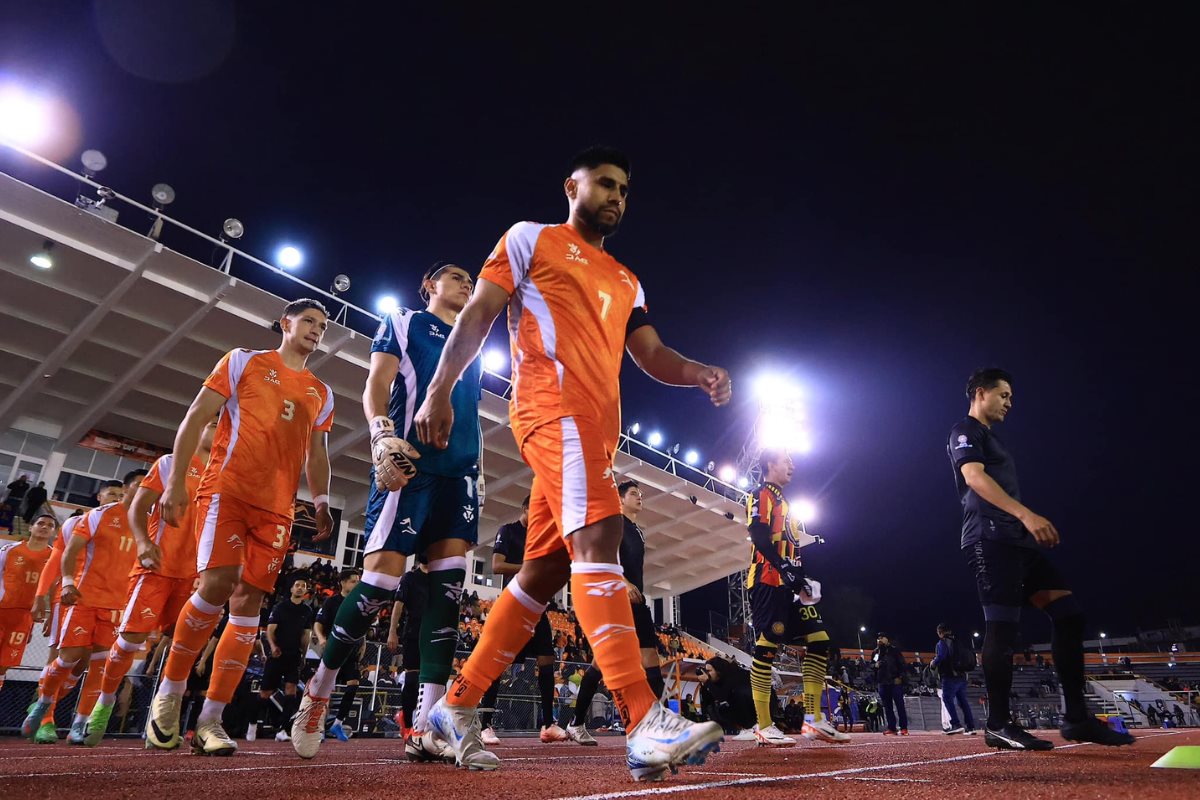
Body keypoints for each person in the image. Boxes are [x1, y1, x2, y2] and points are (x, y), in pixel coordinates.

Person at [414, 145, 729, 781]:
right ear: (572, 186)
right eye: (605, 184)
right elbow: (479, 313)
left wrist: (696, 373)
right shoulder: (529, 239)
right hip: (551, 410)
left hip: (597, 432)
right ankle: (642, 721)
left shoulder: (627, 279)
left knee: (541, 572)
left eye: (625, 191)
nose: (617, 197)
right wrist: (439, 388)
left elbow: (651, 353)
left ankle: (455, 706)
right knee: (602, 536)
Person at [291, 263, 482, 762]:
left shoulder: (474, 338)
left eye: (471, 279)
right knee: (377, 587)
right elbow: (377, 382)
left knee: (446, 595)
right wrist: (380, 433)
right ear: (429, 286)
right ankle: (319, 690)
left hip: (459, 472)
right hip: (410, 465)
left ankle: (429, 724)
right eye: (456, 276)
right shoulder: (403, 320)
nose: (467, 283)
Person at [145, 298, 335, 756]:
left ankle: (211, 719)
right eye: (309, 321)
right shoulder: (242, 361)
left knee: (248, 605)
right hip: (226, 493)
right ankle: (169, 693)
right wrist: (175, 485)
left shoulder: (322, 392)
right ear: (285, 323)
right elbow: (195, 417)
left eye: (323, 326)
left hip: (277, 510)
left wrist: (323, 501)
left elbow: (316, 453)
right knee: (219, 584)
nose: (317, 330)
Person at [947, 368, 1134, 750]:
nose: (1010, 403)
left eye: (1011, 397)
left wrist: (1022, 524)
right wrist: (1026, 514)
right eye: (1004, 395)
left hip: (1017, 542)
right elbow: (974, 478)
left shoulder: (991, 438)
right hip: (989, 539)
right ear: (980, 393)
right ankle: (998, 723)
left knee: (1069, 615)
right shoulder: (964, 431)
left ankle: (1077, 719)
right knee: (1002, 627)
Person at [84, 416, 218, 746]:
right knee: (130, 641)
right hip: (156, 568)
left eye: (223, 425)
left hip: (193, 575)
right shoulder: (171, 463)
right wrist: (143, 543)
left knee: (183, 644)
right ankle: (104, 701)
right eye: (212, 423)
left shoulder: (223, 472)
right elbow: (138, 507)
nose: (217, 430)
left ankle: (161, 719)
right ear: (197, 427)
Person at [22, 469, 146, 744]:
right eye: (111, 493)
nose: (114, 497)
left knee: (85, 668)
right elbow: (59, 559)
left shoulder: (148, 522)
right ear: (100, 496)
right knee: (64, 658)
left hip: (115, 606)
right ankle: (45, 715)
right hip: (74, 599)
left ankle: (76, 720)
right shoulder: (85, 520)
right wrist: (45, 595)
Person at [745, 449, 849, 746]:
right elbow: (758, 535)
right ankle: (764, 725)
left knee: (819, 640)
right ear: (769, 464)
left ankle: (814, 719)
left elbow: (789, 546)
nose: (791, 465)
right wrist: (784, 568)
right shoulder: (761, 494)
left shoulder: (785, 502)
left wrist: (799, 576)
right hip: (767, 581)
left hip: (790, 584)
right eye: (785, 461)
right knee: (767, 644)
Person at [565, 480, 666, 745]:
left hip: (638, 603)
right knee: (601, 664)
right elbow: (601, 557)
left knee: (652, 664)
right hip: (617, 600)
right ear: (620, 499)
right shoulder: (613, 523)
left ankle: (650, 728)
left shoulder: (638, 531)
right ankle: (576, 723)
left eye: (640, 494)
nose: (639, 497)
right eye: (633, 494)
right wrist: (624, 583)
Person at [480, 495, 568, 746]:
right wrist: (528, 569)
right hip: (515, 604)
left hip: (538, 607)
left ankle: (548, 724)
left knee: (547, 661)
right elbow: (497, 566)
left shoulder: (543, 538)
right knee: (499, 664)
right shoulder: (508, 531)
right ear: (526, 508)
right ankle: (485, 724)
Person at [252, 576, 313, 741]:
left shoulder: (307, 611)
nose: (300, 588)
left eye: (303, 585)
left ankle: (283, 729)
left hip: (294, 655)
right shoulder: (281, 607)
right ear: (292, 589)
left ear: (306, 591)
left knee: (291, 690)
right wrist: (272, 647)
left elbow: (306, 635)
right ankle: (252, 723)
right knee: (265, 692)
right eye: (297, 584)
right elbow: (269, 630)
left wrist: (304, 654)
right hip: (277, 654)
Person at [0, 512, 55, 692]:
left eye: (50, 525)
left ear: (53, 532)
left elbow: (56, 588)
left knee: (5, 664)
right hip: (2, 609)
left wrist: (52, 616)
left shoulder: (55, 557)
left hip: (25, 616)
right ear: (31, 527)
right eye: (41, 523)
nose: (45, 527)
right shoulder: (9, 550)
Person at [313, 567, 364, 741]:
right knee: (325, 689)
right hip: (333, 650)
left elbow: (361, 626)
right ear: (342, 582)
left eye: (358, 581)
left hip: (351, 651)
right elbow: (318, 624)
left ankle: (337, 724)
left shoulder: (359, 603)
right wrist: (321, 639)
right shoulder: (332, 602)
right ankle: (318, 727)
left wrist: (362, 643)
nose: (356, 584)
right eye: (353, 581)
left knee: (353, 685)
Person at [386, 558, 429, 739]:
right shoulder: (409, 578)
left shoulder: (438, 579)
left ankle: (424, 724)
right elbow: (398, 605)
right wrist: (392, 632)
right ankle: (407, 723)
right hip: (413, 632)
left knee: (429, 682)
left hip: (432, 634)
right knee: (412, 678)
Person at [931, 623, 976, 735]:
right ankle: (970, 727)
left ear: (940, 632)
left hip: (950, 675)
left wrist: (933, 663)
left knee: (947, 698)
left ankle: (956, 724)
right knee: (963, 702)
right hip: (962, 675)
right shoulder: (959, 641)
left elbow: (941, 656)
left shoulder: (942, 642)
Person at [871, 633, 908, 735]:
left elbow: (902, 664)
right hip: (882, 682)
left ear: (887, 639)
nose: (880, 640)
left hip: (894, 682)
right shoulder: (876, 652)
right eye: (878, 638)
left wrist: (900, 677)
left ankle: (903, 727)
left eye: (882, 637)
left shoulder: (894, 650)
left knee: (900, 705)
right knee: (887, 707)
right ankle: (892, 728)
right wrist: (875, 665)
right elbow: (871, 665)